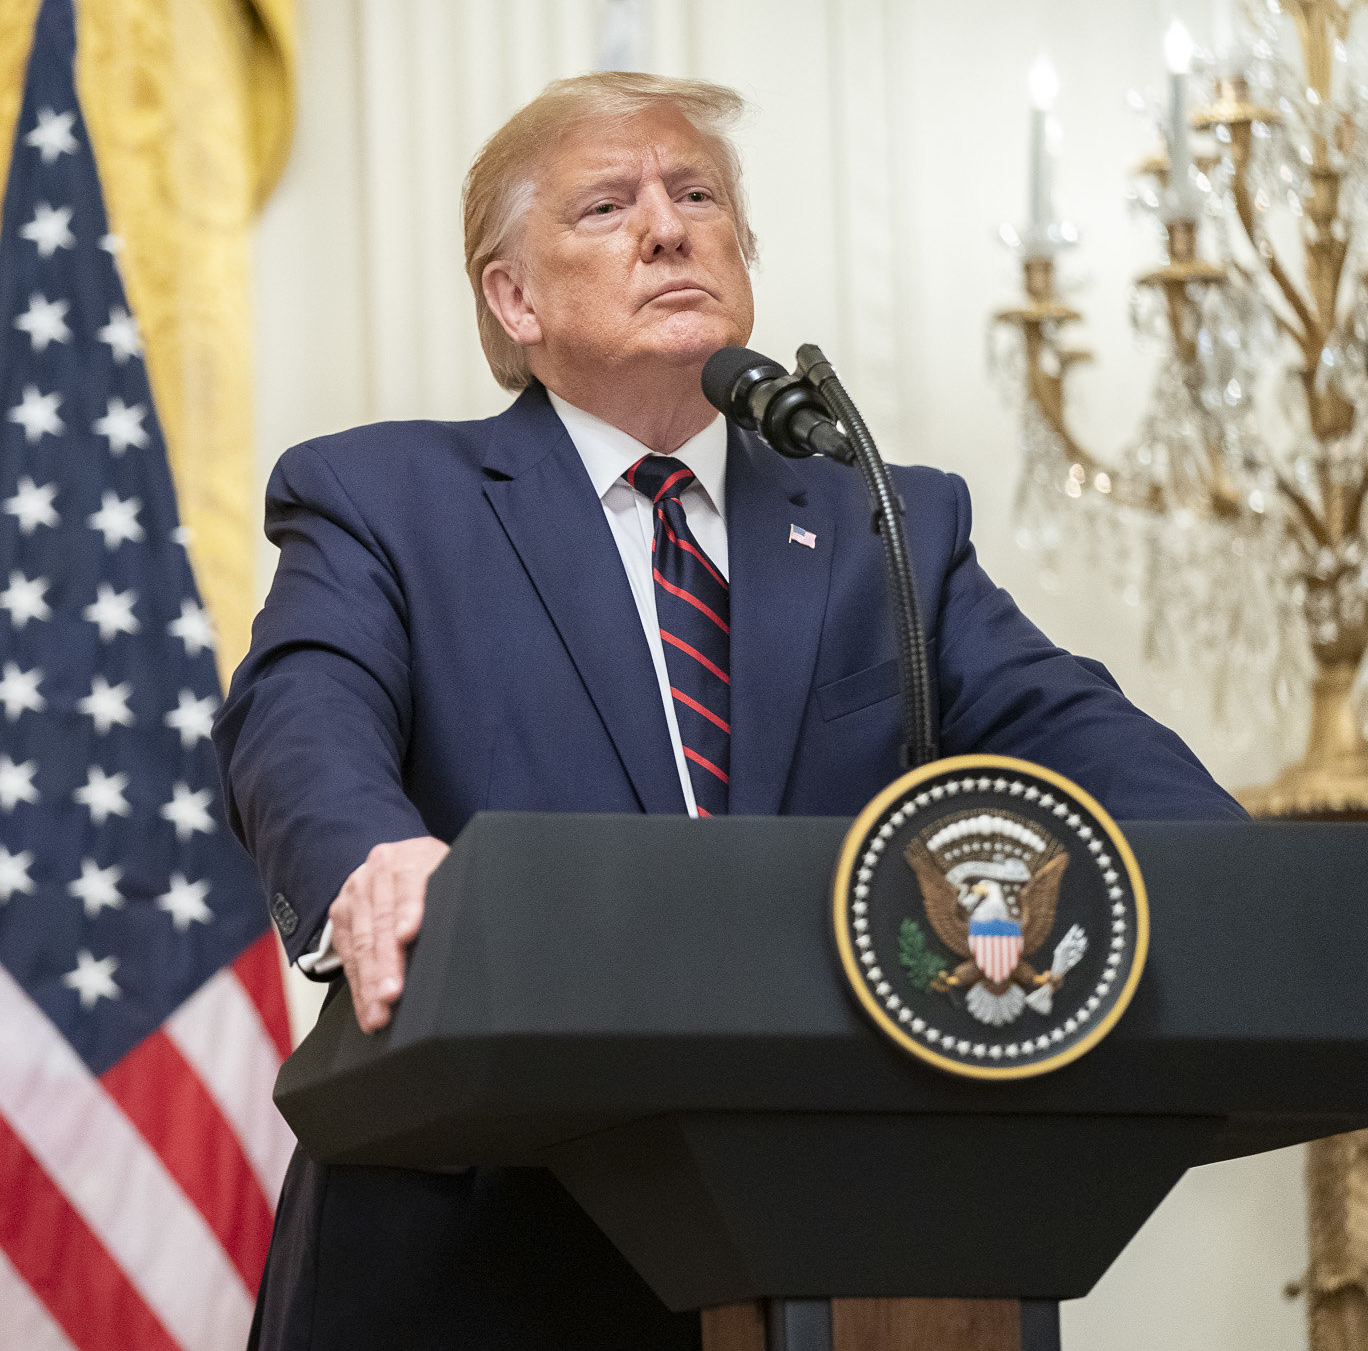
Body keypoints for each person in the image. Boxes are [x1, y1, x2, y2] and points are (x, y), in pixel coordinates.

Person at [213, 72, 1245, 1351]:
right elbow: (298, 714)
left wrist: (1232, 894)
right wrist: (368, 859)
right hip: (473, 1253)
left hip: (838, 1251)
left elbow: (1093, 748)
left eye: (696, 194)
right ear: (513, 298)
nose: (668, 226)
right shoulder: (382, 498)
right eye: (607, 205)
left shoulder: (885, 520)